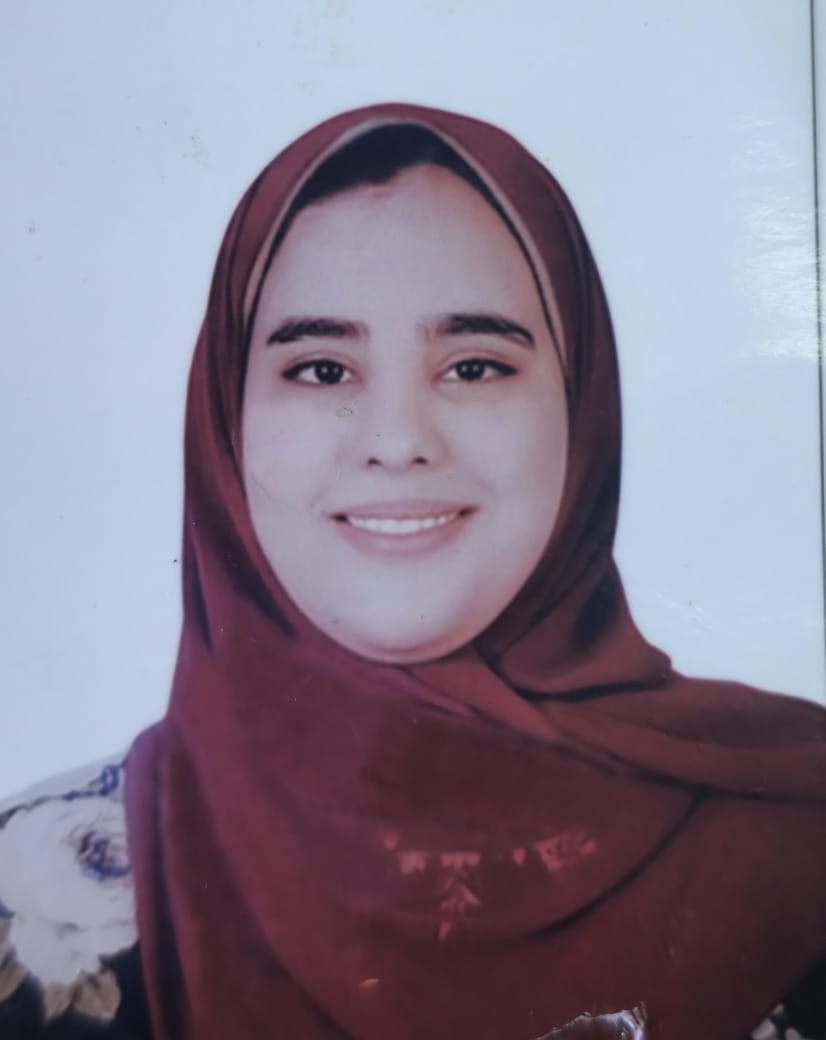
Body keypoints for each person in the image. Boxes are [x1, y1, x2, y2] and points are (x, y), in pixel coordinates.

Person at [0, 102, 824, 1040]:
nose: (397, 441)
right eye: (321, 370)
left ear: (581, 405)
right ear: (225, 423)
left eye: (474, 367)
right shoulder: (30, 897)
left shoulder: (801, 831)